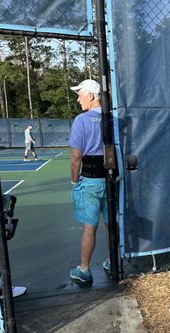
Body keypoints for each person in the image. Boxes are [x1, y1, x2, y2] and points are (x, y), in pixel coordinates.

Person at [68, 79, 108, 284]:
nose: (78, 99)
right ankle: (114, 261)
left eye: (80, 94)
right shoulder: (113, 118)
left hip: (90, 182)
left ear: (91, 96)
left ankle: (84, 270)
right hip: (111, 181)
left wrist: (75, 180)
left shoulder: (81, 120)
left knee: (89, 227)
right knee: (112, 224)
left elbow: (76, 156)